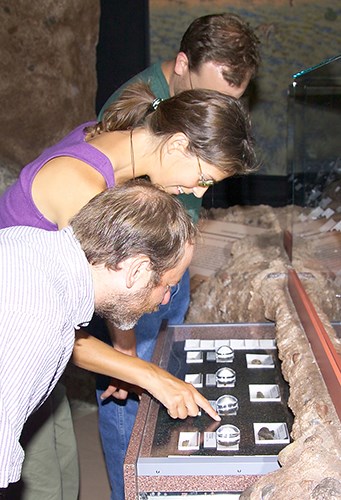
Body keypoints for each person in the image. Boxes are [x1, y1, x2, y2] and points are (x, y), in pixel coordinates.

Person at [0, 81, 256, 499]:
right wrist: (147, 374)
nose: (197, 192)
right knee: (35, 480)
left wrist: (123, 354)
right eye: (203, 178)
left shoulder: (110, 140)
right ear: (175, 145)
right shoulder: (82, 189)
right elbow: (54, 328)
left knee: (62, 466)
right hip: (13, 336)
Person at [96, 12, 260, 500]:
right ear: (183, 63)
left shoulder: (189, 101)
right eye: (209, 96)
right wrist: (122, 346)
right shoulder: (135, 110)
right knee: (132, 388)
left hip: (166, 262)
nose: (217, 109)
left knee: (165, 375)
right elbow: (116, 248)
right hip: (133, 273)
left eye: (230, 103)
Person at [0, 180, 221, 498]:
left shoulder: (31, 246)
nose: (164, 300)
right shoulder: (36, 322)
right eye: (166, 285)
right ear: (137, 270)